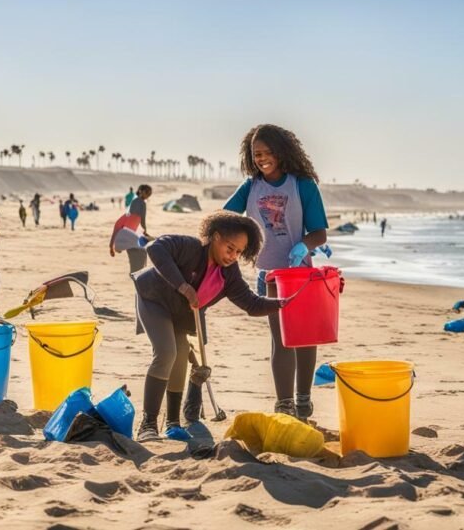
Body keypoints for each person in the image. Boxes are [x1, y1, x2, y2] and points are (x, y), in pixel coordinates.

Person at [131, 212, 286, 441]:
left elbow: (252, 304)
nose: (233, 256)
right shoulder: (190, 247)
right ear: (215, 237)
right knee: (166, 352)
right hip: (154, 299)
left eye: (239, 252)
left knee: (182, 354)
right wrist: (183, 286)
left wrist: (284, 303)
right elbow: (155, 248)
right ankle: (148, 424)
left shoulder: (229, 274)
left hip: (182, 315)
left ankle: (173, 423)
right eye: (230, 248)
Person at [223, 124, 329, 420]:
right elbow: (225, 218)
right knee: (281, 338)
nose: (262, 158)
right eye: (257, 154)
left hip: (300, 273)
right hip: (269, 275)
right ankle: (284, 405)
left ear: (283, 152)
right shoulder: (251, 186)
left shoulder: (302, 185)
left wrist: (302, 246)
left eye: (269, 152)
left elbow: (319, 233)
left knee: (304, 337)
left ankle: (304, 400)